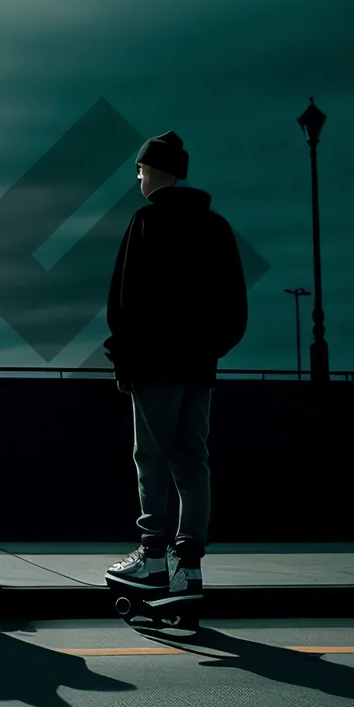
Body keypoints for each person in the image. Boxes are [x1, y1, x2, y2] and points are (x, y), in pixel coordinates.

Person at [103, 130, 248, 602]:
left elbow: (123, 302)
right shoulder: (218, 227)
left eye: (142, 169)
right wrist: (209, 349)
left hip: (152, 366)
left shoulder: (145, 223)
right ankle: (189, 566)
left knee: (151, 458)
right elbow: (235, 308)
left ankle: (151, 556)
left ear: (158, 171)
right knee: (192, 460)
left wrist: (124, 360)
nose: (139, 176)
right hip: (198, 368)